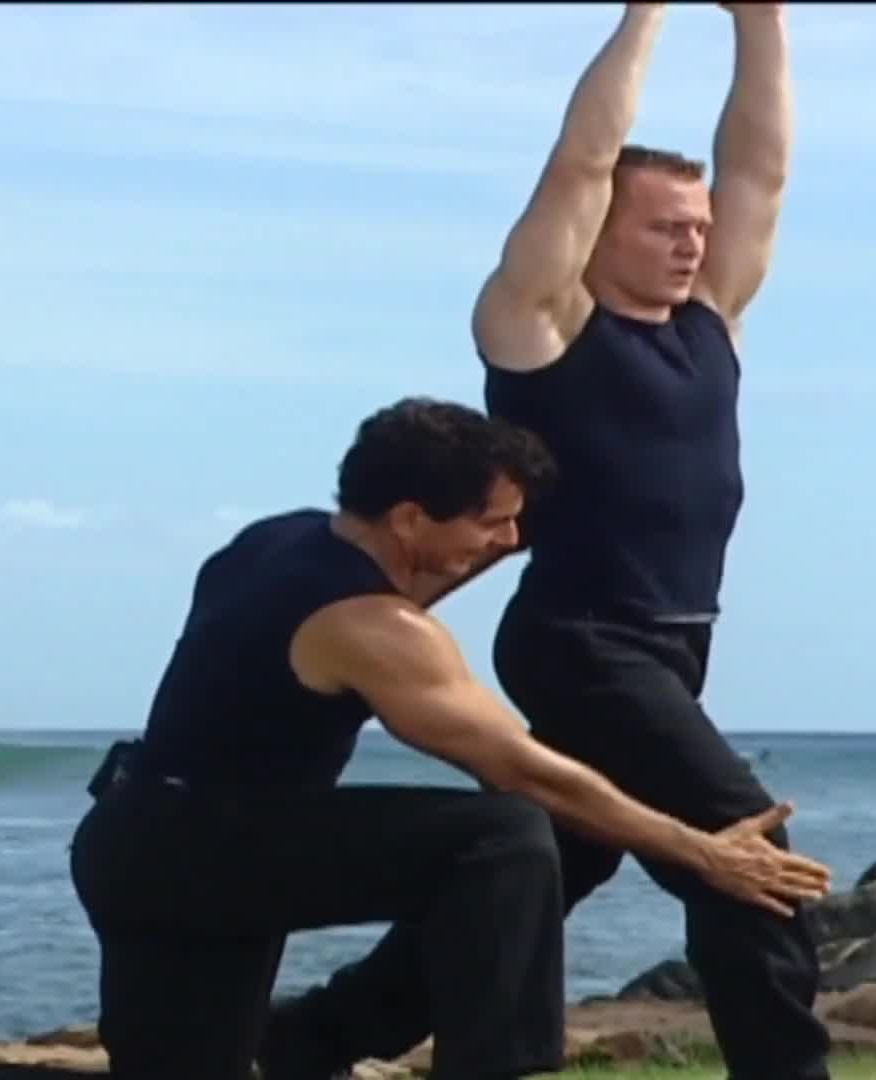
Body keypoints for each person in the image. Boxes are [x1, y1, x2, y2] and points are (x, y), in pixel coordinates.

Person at [261, 5, 827, 1080]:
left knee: (542, 867)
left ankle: (303, 1045)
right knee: (751, 861)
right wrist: (651, 13)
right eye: (665, 225)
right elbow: (579, 162)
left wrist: (762, 21)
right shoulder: (543, 329)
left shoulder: (711, 325)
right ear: (601, 234)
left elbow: (761, 173)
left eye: (697, 228)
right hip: (583, 641)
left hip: (669, 648)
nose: (692, 240)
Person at [69, 397, 832, 1080]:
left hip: (135, 844)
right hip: (211, 849)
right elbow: (524, 770)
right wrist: (703, 851)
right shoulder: (377, 631)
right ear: (408, 517)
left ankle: (311, 1044)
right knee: (503, 837)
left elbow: (414, 574)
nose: (509, 540)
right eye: (492, 522)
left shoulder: (275, 542)